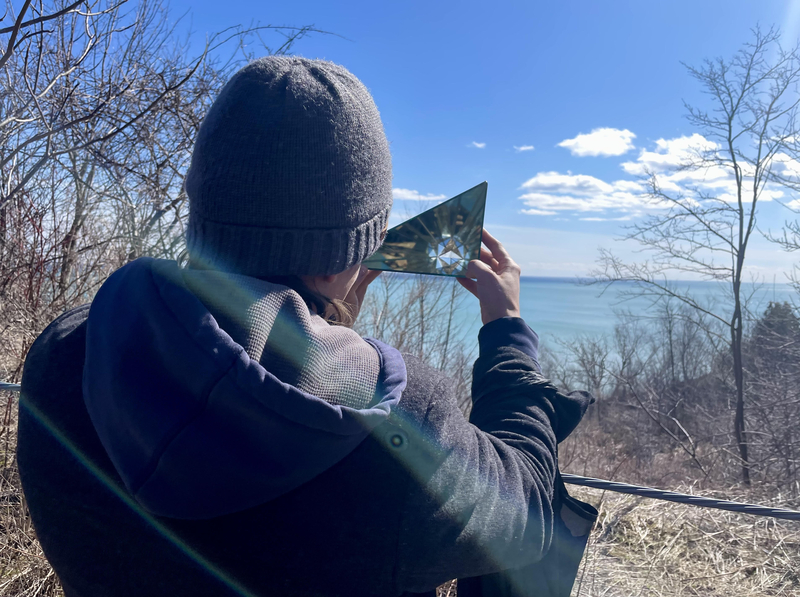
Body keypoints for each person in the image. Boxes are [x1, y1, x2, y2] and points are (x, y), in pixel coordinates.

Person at [17, 56, 595, 597]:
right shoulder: (395, 421)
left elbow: (243, 375)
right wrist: (508, 335)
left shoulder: (67, 357)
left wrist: (324, 325)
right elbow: (526, 514)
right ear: (345, 254)